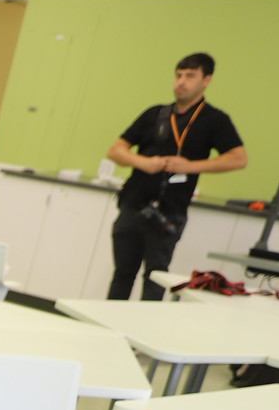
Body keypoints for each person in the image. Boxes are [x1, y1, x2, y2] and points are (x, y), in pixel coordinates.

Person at [106, 52, 247, 301]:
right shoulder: (154, 114)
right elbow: (116, 150)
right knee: (122, 274)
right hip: (134, 205)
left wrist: (190, 167)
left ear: (206, 80)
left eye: (190, 76)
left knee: (156, 277)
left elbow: (238, 158)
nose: (181, 82)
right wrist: (144, 162)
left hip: (168, 213)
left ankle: (142, 334)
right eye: (178, 75)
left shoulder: (214, 120)